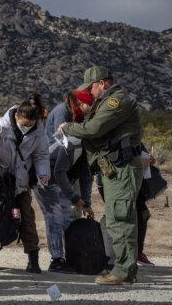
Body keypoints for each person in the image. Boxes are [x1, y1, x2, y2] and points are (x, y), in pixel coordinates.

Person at [61, 66, 144, 285]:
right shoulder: (106, 103)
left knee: (120, 218)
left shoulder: (116, 102)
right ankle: (124, 269)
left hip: (122, 167)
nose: (89, 92)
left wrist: (68, 128)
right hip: (114, 168)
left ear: (103, 83)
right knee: (116, 217)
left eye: (91, 87)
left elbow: (94, 129)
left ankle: (124, 271)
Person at [0, 93, 50, 273]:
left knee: (27, 219)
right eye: (24, 124)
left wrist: (43, 174)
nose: (26, 128)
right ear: (17, 116)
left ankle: (33, 259)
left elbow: (41, 156)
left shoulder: (39, 133)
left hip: (21, 183)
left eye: (30, 125)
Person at [33, 89, 94, 273]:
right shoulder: (70, 136)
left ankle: (71, 257)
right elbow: (59, 171)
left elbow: (86, 175)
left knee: (67, 217)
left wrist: (86, 202)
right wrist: (76, 198)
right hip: (46, 174)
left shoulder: (87, 143)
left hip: (61, 174)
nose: (90, 110)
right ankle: (57, 260)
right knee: (55, 217)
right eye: (88, 106)